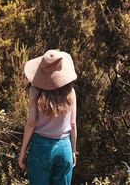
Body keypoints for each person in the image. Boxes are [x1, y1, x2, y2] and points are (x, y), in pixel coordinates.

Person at [18, 49, 78, 185]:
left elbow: (31, 124)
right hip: (64, 146)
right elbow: (73, 124)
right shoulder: (70, 92)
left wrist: (22, 151)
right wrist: (73, 150)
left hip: (40, 147)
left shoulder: (35, 91)